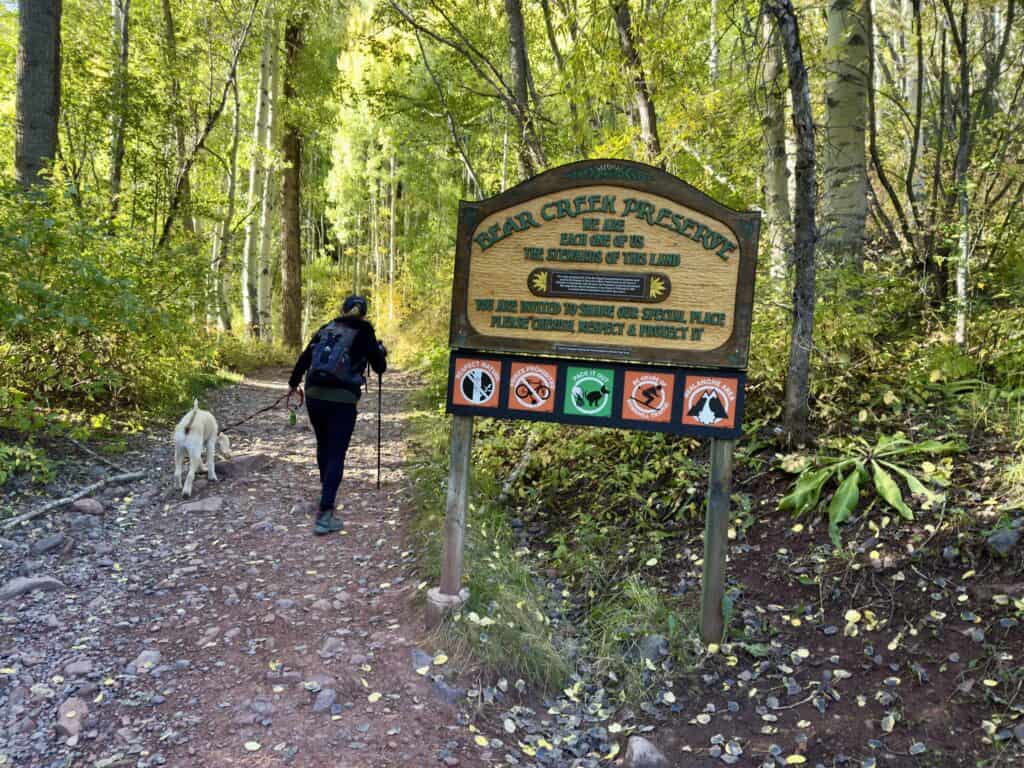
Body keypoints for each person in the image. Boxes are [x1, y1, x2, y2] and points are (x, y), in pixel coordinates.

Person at [288, 295, 387, 535]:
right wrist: (380, 351)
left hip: (314, 394)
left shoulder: (327, 327)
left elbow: (305, 357)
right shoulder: (365, 331)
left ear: (343, 310)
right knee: (337, 452)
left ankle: (327, 492)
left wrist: (293, 383)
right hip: (343, 399)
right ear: (364, 313)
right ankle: (325, 513)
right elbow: (379, 367)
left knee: (323, 445)